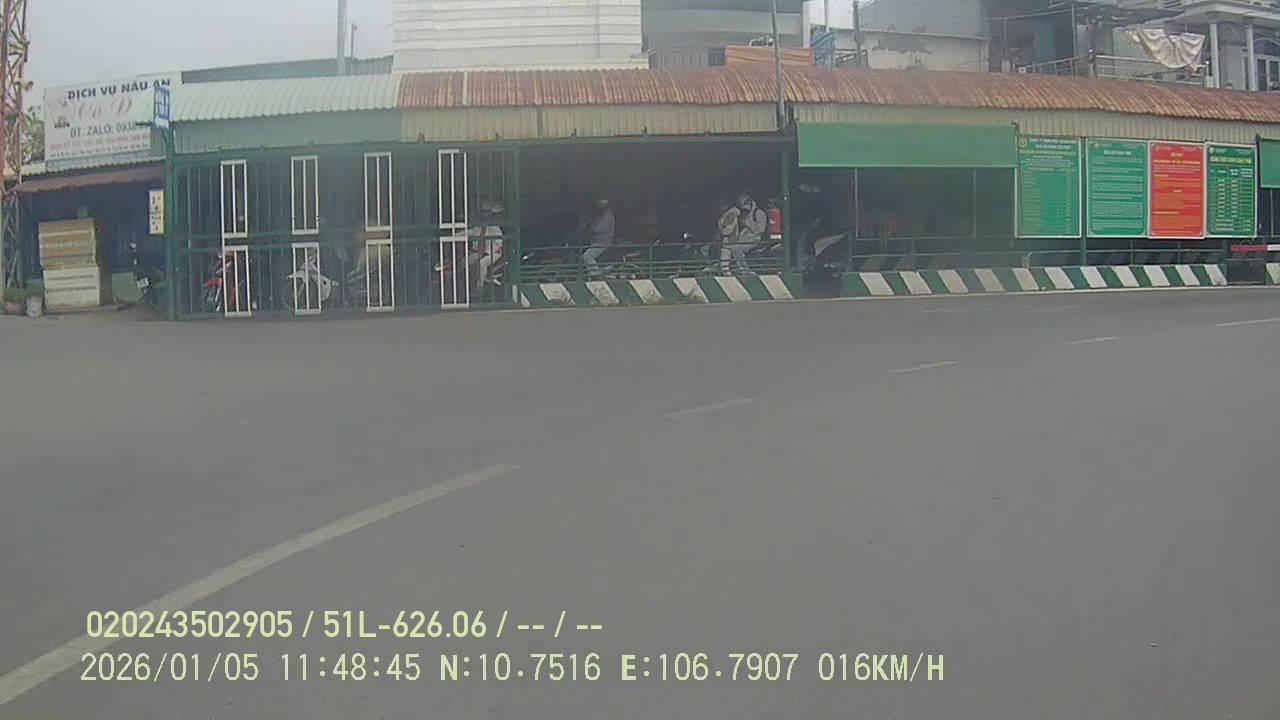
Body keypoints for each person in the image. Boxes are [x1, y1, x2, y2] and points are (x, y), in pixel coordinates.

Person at [470, 202, 505, 289]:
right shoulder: (482, 226)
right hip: (483, 251)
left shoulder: (497, 227)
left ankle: (480, 287)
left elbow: (501, 245)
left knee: (482, 263)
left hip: (495, 253)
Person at [582, 199, 615, 276]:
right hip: (597, 242)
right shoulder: (602, 217)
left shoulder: (607, 217)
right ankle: (596, 270)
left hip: (602, 242)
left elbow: (597, 229)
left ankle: (595, 271)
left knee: (586, 256)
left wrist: (590, 227)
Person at [717, 199, 740, 275]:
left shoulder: (731, 214)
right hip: (725, 240)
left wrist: (722, 232)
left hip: (729, 240)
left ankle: (729, 277)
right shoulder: (725, 214)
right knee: (724, 262)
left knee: (725, 263)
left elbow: (729, 230)